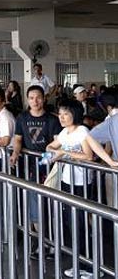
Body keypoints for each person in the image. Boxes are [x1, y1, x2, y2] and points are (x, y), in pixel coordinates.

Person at [46, 99, 118, 279]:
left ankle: (91, 266)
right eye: (60, 113)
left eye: (66, 114)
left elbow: (88, 155)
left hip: (81, 184)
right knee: (72, 224)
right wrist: (56, 151)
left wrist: (63, 152)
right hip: (66, 181)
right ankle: (80, 264)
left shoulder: (82, 131)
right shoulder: (65, 132)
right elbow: (50, 147)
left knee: (80, 225)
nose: (61, 117)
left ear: (75, 115)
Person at [9, 85, 62, 258]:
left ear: (44, 98)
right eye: (31, 98)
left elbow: (57, 144)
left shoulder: (52, 120)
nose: (35, 101)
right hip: (30, 169)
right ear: (27, 99)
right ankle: (43, 243)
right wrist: (15, 153)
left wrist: (48, 159)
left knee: (52, 206)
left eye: (38, 97)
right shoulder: (22, 118)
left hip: (49, 170)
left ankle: (54, 244)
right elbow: (18, 139)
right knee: (34, 208)